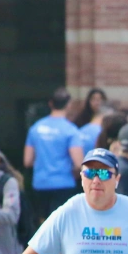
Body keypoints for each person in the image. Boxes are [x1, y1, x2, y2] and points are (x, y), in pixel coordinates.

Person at [24, 86, 85, 223]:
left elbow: (27, 161)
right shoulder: (71, 130)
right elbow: (79, 163)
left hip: (40, 183)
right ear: (68, 105)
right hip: (63, 183)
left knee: (43, 223)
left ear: (51, 103)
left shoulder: (36, 128)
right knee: (61, 223)